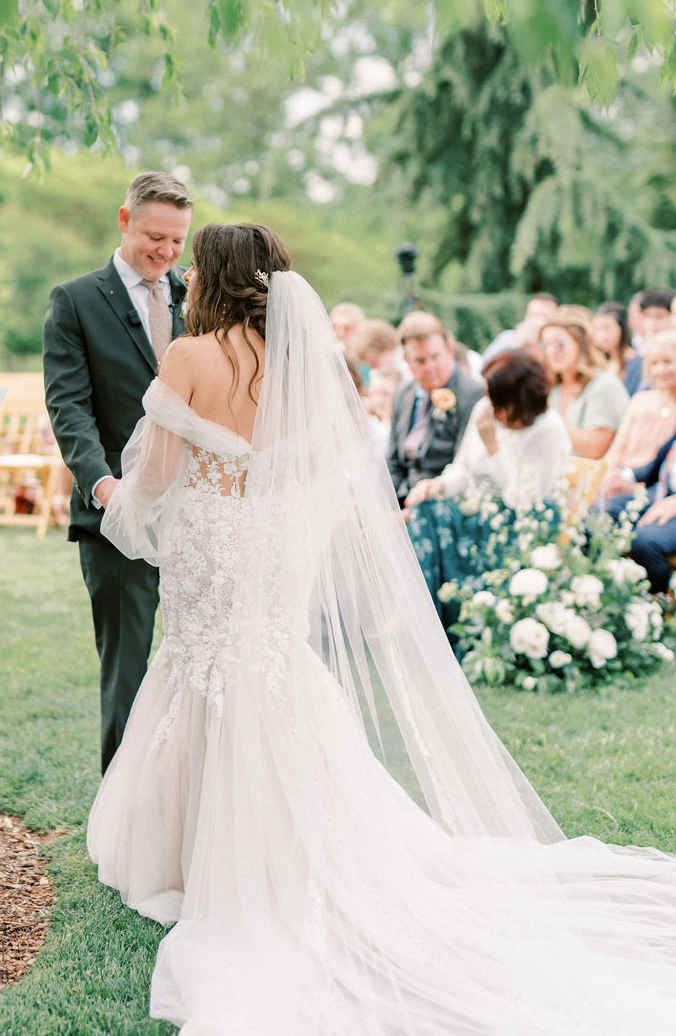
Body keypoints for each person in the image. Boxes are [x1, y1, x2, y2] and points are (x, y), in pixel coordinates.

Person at [89, 221, 676, 1034]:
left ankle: (197, 860)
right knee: (269, 671)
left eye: (195, 264)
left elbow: (154, 476)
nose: (185, 274)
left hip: (212, 549)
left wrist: (109, 495)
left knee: (201, 672)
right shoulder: (308, 364)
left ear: (217, 276)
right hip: (271, 551)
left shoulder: (190, 357)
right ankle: (279, 844)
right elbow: (329, 471)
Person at [42, 171, 193, 773]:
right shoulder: (75, 300)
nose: (165, 252)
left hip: (195, 510)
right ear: (125, 220)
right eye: (155, 236)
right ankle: (123, 817)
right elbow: (68, 406)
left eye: (178, 241)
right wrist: (105, 486)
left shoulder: (196, 296)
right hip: (115, 514)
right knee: (127, 667)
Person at [406, 350, 570, 621]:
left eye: (497, 399)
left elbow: (523, 501)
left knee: (436, 521)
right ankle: (425, 620)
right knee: (426, 509)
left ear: (517, 400)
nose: (489, 405)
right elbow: (464, 467)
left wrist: (493, 446)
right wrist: (439, 486)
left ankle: (456, 620)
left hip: (523, 523)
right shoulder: (486, 409)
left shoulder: (548, 429)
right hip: (479, 507)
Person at [386, 310, 483, 507]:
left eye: (435, 356)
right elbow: (393, 461)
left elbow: (464, 468)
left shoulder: (472, 394)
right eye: (420, 361)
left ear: (449, 348)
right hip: (402, 496)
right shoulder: (403, 393)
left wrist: (410, 514)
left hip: (444, 501)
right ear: (406, 360)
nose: (429, 367)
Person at [540, 306, 629, 459]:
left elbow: (593, 450)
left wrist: (545, 415)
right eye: (545, 344)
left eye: (559, 343)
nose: (551, 351)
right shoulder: (553, 388)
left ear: (581, 344)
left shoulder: (604, 385)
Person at [602, 330, 676, 495]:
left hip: (652, 488)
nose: (661, 370)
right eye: (654, 363)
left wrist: (636, 488)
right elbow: (616, 450)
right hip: (618, 477)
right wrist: (609, 474)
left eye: (668, 362)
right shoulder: (639, 400)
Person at [607, 430, 676, 593]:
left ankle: (653, 606)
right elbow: (663, 461)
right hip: (660, 492)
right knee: (600, 515)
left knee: (646, 540)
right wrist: (624, 475)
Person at [480, 291, 559, 367]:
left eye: (544, 316)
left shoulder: (557, 345)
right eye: (534, 314)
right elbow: (486, 366)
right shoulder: (507, 338)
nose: (537, 320)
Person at [592, 300, 638, 393]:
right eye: (597, 329)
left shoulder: (635, 361)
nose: (602, 335)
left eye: (607, 328)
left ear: (621, 328)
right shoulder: (596, 362)